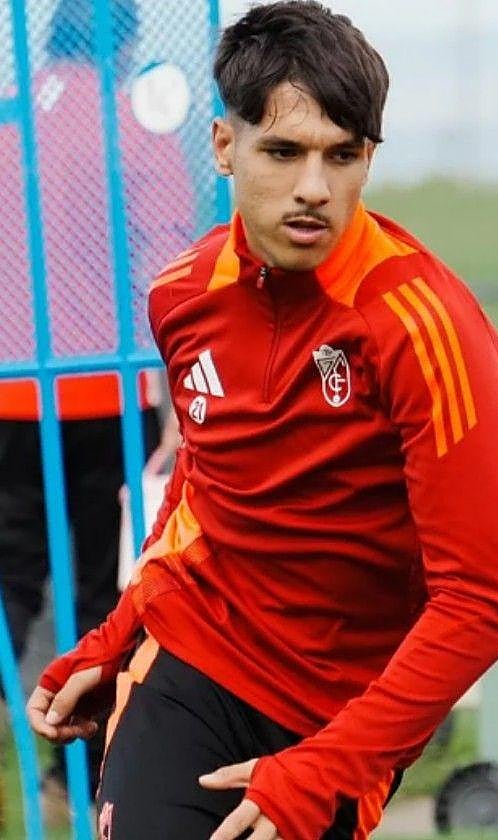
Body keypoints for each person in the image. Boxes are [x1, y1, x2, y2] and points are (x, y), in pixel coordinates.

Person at [23, 2, 498, 838]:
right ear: (226, 146)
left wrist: (332, 762)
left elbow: (483, 601)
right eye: (283, 151)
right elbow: (203, 486)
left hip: (342, 712)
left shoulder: (423, 327)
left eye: (344, 156)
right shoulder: (181, 295)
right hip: (195, 657)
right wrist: (116, 635)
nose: (313, 189)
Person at [0, 0, 189, 815]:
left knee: (8, 582)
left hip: (8, 393)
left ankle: (29, 757)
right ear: (127, 45)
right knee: (97, 594)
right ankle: (73, 773)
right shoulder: (133, 129)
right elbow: (166, 266)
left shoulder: (10, 127)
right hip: (103, 396)